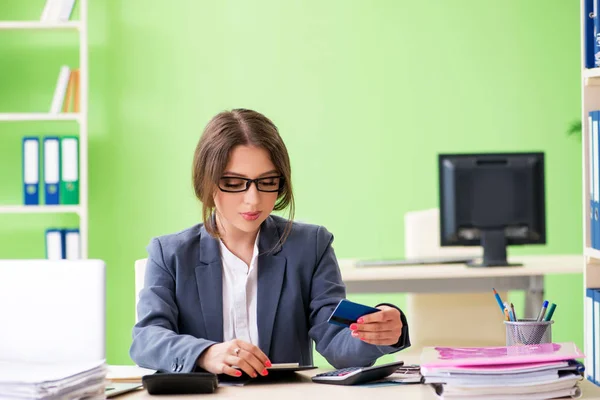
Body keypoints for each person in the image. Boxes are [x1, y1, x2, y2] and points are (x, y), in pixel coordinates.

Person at [130, 109, 410, 378]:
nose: (253, 199)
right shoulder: (170, 253)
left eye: (266, 181)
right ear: (208, 181)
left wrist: (382, 333)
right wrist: (206, 353)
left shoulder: (311, 246)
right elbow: (146, 339)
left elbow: (336, 343)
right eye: (234, 182)